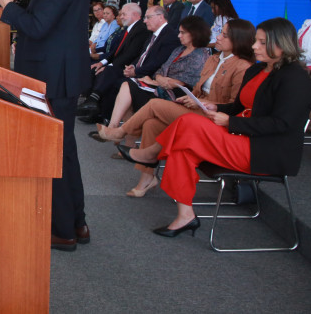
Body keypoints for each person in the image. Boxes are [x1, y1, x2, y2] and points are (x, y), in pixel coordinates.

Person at [118, 18, 311, 237]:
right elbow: (238, 106)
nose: (255, 47)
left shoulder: (295, 77)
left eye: (262, 42)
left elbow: (282, 123)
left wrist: (230, 122)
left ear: (281, 44)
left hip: (266, 150)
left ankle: (152, 153)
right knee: (182, 149)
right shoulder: (257, 71)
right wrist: (215, 106)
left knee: (189, 123)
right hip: (242, 136)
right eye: (256, 41)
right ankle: (185, 216)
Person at [0, 0, 91, 252]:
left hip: (54, 79)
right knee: (64, 153)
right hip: (57, 75)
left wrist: (9, 6)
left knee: (56, 155)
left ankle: (63, 230)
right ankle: (76, 222)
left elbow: (37, 27)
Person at [98, 19, 256, 196]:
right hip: (195, 107)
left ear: (238, 40)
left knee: (154, 104)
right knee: (151, 123)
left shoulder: (242, 67)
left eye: (224, 35)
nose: (217, 37)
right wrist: (192, 99)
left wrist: (207, 103)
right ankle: (146, 179)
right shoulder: (213, 59)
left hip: (213, 118)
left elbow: (236, 106)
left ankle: (120, 132)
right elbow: (196, 89)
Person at [97, 15, 211, 146]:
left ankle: (116, 132)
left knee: (129, 88)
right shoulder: (179, 50)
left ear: (195, 34)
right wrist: (159, 79)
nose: (179, 36)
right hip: (161, 88)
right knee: (128, 87)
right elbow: (161, 70)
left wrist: (162, 81)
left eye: (182, 33)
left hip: (176, 96)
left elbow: (190, 80)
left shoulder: (200, 55)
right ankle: (116, 131)